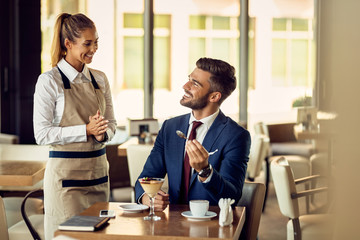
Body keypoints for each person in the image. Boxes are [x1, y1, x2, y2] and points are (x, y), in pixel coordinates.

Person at [33, 13, 116, 239]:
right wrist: (85, 130)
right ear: (68, 44)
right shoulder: (49, 81)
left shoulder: (100, 79)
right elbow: (41, 134)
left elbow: (112, 123)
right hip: (66, 183)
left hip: (99, 176)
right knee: (68, 237)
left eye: (96, 42)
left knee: (99, 236)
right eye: (87, 43)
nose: (93, 48)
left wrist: (102, 134)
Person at [135, 57, 251, 210]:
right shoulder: (170, 127)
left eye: (195, 83)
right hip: (171, 225)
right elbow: (145, 178)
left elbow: (231, 197)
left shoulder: (236, 136)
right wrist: (146, 198)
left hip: (211, 225)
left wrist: (205, 171)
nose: (185, 86)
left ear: (214, 96)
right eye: (189, 79)